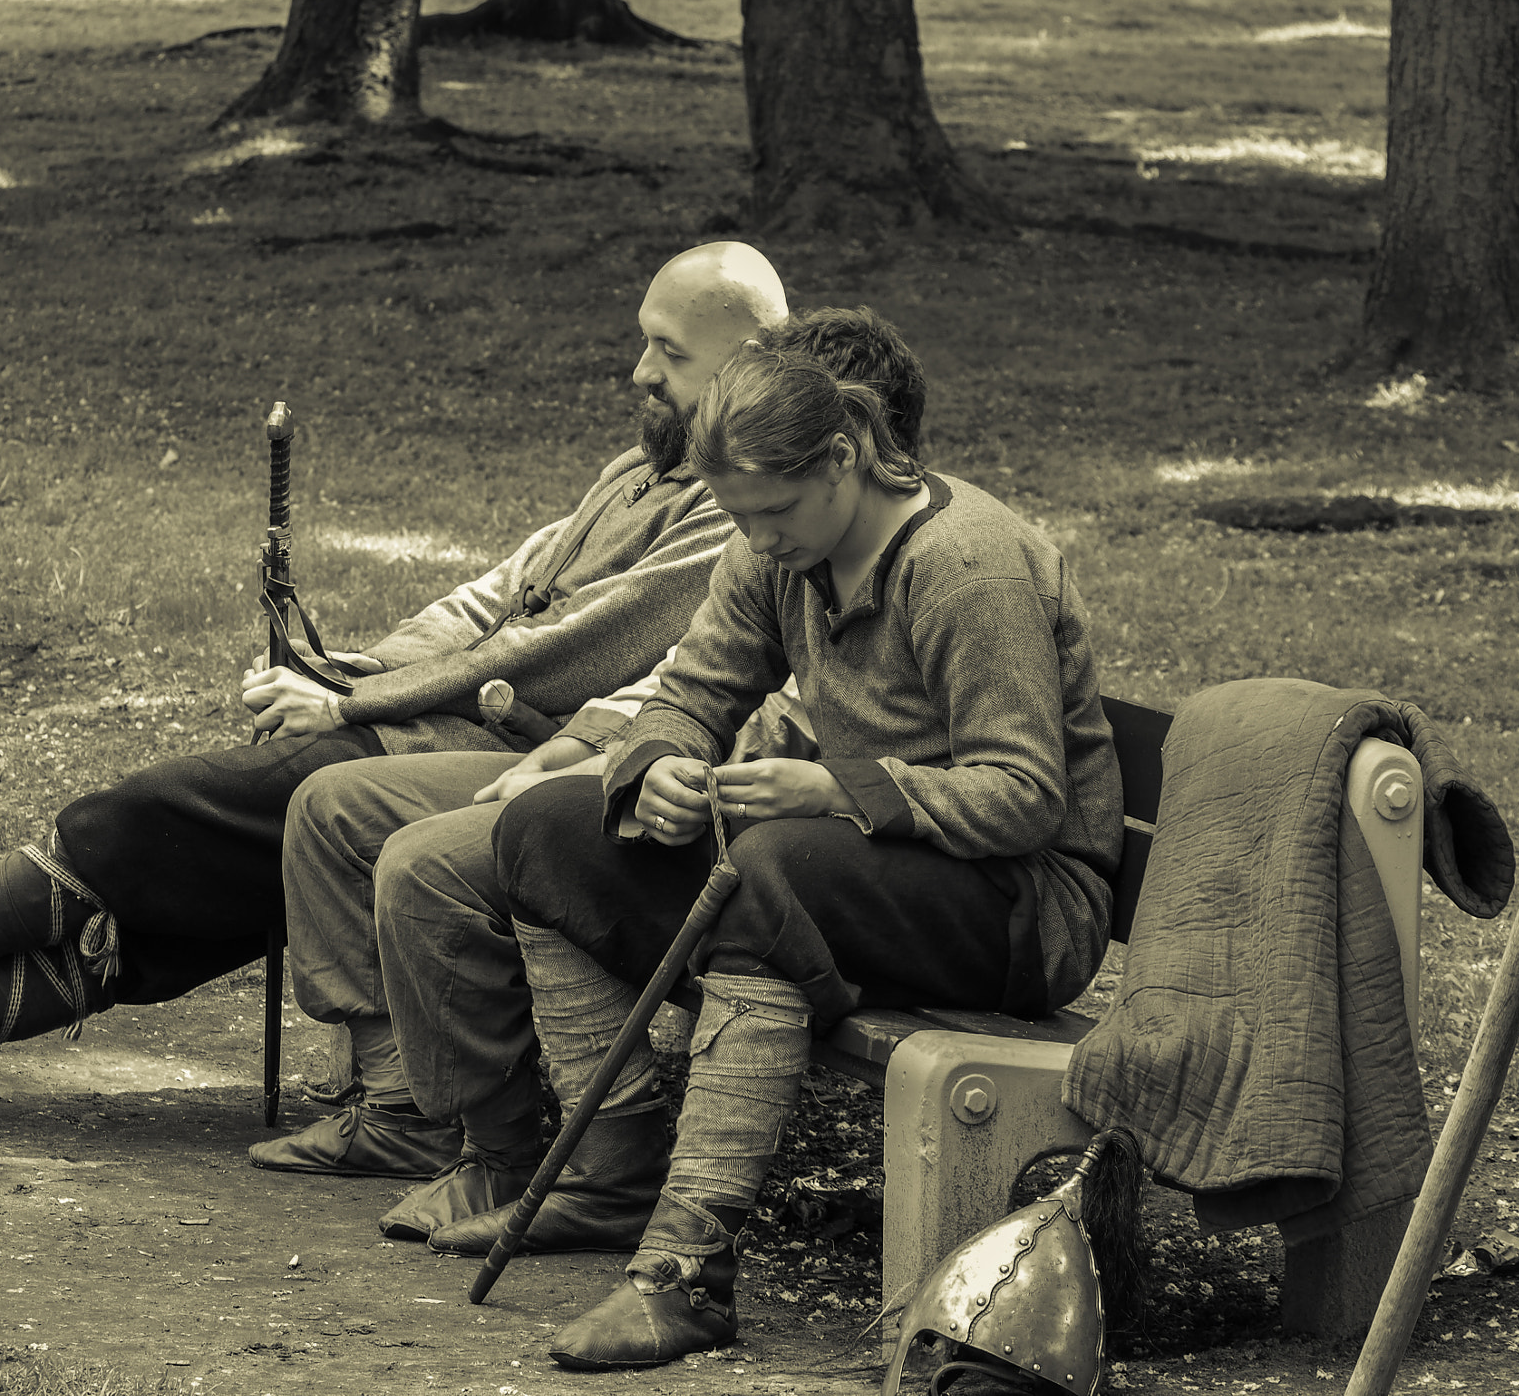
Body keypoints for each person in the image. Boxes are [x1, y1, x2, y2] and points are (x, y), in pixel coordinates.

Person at [0, 241, 787, 1115]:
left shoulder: (729, 512)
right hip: (426, 730)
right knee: (175, 917)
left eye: (667, 355)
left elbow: (563, 648)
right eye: (641, 339)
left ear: (746, 362)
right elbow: (493, 594)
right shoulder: (635, 471)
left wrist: (347, 701)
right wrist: (360, 662)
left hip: (511, 763)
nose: (637, 371)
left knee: (136, 825)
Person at [387, 319, 1126, 1370]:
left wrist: (834, 787)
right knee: (546, 830)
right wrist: (661, 769)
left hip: (1019, 906)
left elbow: (1022, 799)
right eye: (739, 514)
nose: (759, 537)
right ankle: (605, 1176)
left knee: (777, 865)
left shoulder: (968, 567)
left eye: (774, 511)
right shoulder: (769, 548)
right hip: (851, 881)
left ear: (844, 457)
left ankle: (686, 1271)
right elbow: (683, 697)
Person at [252, 309, 919, 1250]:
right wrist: (641, 754)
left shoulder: (939, 564)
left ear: (843, 448)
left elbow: (992, 784)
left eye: (672, 351)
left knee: (475, 851)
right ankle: (432, 1117)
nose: (642, 372)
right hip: (678, 796)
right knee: (327, 800)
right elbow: (684, 682)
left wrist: (609, 754)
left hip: (824, 863)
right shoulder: (742, 525)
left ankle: (556, 1170)